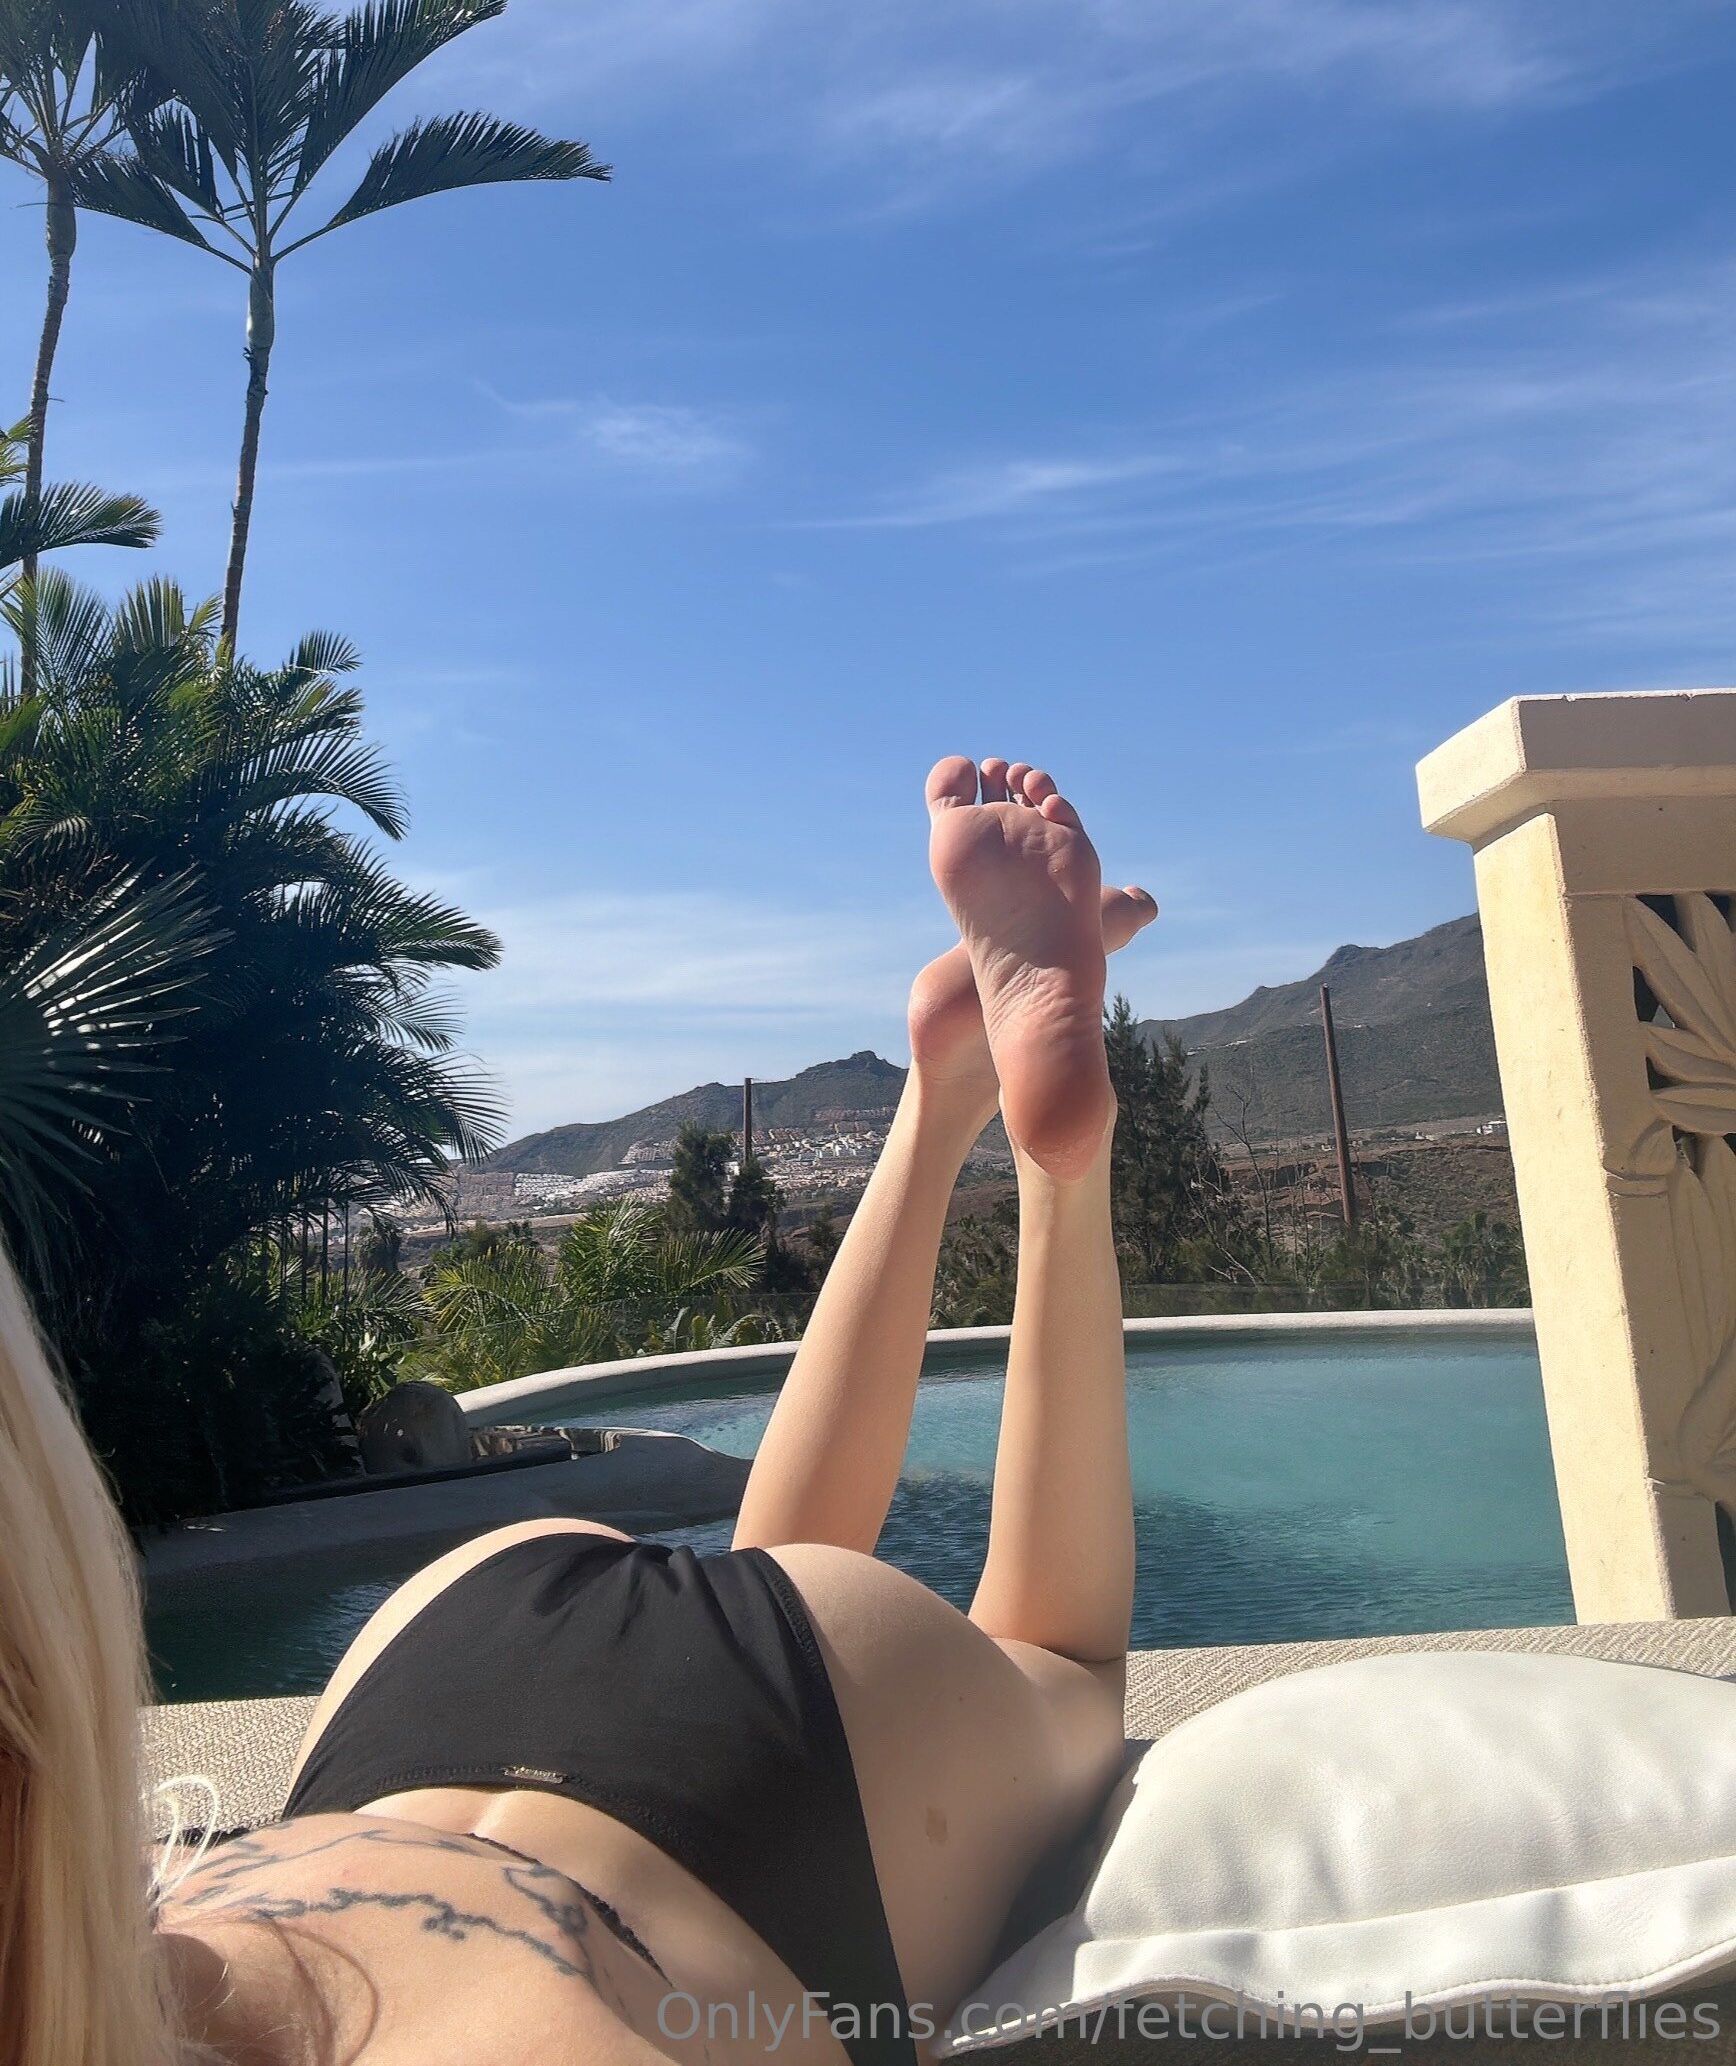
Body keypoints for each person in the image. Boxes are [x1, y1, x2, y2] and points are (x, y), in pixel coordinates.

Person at [1, 758, 1156, 2066]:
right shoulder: (76, 1941)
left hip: (618, 1787)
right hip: (442, 1648)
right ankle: (943, 1091)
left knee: (1060, 1665)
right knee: (785, 1579)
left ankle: (1044, 1160)